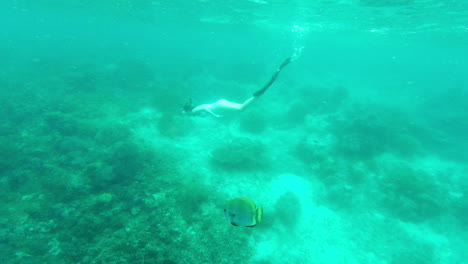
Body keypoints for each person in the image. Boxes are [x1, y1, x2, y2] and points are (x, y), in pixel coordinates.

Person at [183, 57, 291, 118]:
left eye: (186, 113)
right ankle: (278, 71)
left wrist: (215, 115)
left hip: (218, 106)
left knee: (241, 109)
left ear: (188, 111)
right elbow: (193, 110)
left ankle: (259, 93)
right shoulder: (192, 111)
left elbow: (205, 109)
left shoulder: (193, 112)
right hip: (219, 103)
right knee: (241, 107)